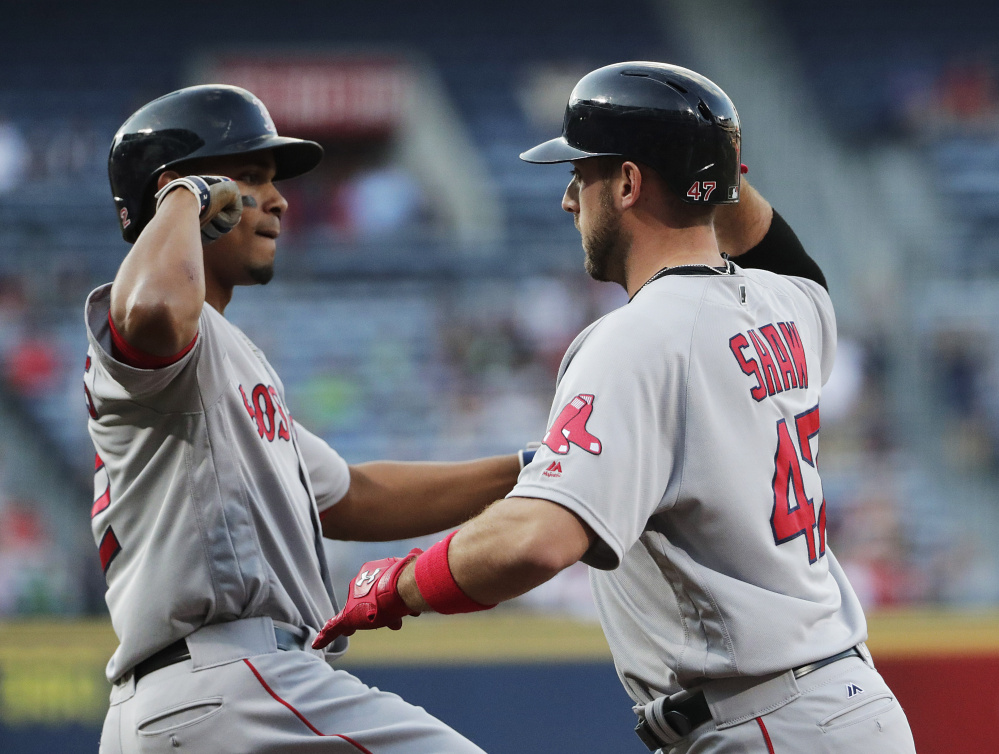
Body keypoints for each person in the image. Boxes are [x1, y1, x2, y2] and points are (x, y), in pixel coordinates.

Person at [313, 63, 918, 753]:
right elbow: (783, 255)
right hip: (837, 702)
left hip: (763, 721)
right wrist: (703, 159)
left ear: (627, 184)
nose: (570, 200)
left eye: (581, 175)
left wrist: (398, 584)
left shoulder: (634, 338)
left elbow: (535, 540)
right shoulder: (787, 306)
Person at [85, 84, 531, 753]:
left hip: (185, 702)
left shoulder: (226, 354)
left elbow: (355, 496)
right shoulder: (164, 333)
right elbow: (151, 313)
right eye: (252, 177)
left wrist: (529, 469)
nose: (279, 198)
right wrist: (186, 194)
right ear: (182, 194)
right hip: (233, 685)